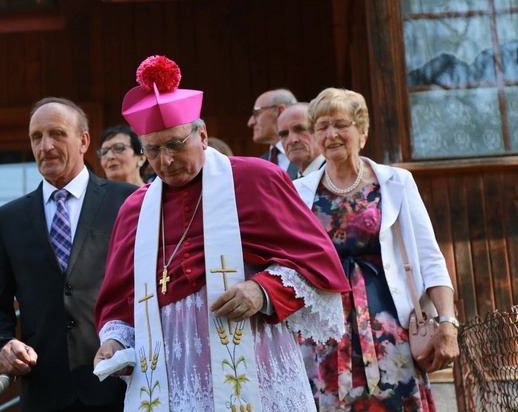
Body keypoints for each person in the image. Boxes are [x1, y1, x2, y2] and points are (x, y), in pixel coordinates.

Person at [93, 55, 350, 410]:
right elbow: (119, 301)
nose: (165, 161)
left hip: (253, 358)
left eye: (174, 145)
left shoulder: (255, 179)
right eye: (152, 149)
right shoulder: (135, 209)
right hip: (172, 373)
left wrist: (263, 290)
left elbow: (317, 263)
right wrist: (115, 342)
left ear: (202, 134)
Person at [293, 87, 459, 410]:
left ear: (362, 132)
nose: (331, 135)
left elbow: (429, 258)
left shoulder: (395, 183)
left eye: (340, 124)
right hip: (324, 337)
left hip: (390, 331)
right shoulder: (298, 193)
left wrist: (447, 324)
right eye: (322, 127)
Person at [0, 97, 137, 411]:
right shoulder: (6, 219)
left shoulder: (128, 201)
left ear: (84, 141)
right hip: (45, 392)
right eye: (36, 137)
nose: (45, 145)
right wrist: (2, 346)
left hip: (122, 384)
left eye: (57, 134)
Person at [248, 88, 299, 178]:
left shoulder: (313, 155)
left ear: (280, 111)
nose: (250, 122)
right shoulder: (258, 165)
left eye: (256, 113)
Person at [277, 102, 325, 177]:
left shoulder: (339, 178)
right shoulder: (288, 181)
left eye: (300, 130)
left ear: (320, 129)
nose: (292, 140)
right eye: (284, 134)